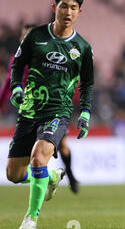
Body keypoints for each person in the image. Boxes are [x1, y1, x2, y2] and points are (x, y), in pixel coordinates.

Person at [6, 0, 94, 229]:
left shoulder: (83, 49)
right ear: (55, 8)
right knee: (13, 175)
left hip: (58, 112)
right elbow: (17, 65)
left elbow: (87, 84)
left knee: (38, 158)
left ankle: (30, 218)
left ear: (79, 13)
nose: (68, 12)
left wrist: (85, 113)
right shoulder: (36, 36)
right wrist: (15, 88)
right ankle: (53, 177)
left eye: (73, 8)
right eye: (64, 6)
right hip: (29, 112)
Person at [0, 24, 80, 194]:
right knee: (20, 166)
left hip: (51, 110)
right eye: (25, 37)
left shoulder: (48, 58)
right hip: (27, 110)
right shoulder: (17, 59)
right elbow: (9, 81)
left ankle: (71, 176)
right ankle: (51, 176)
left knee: (63, 145)